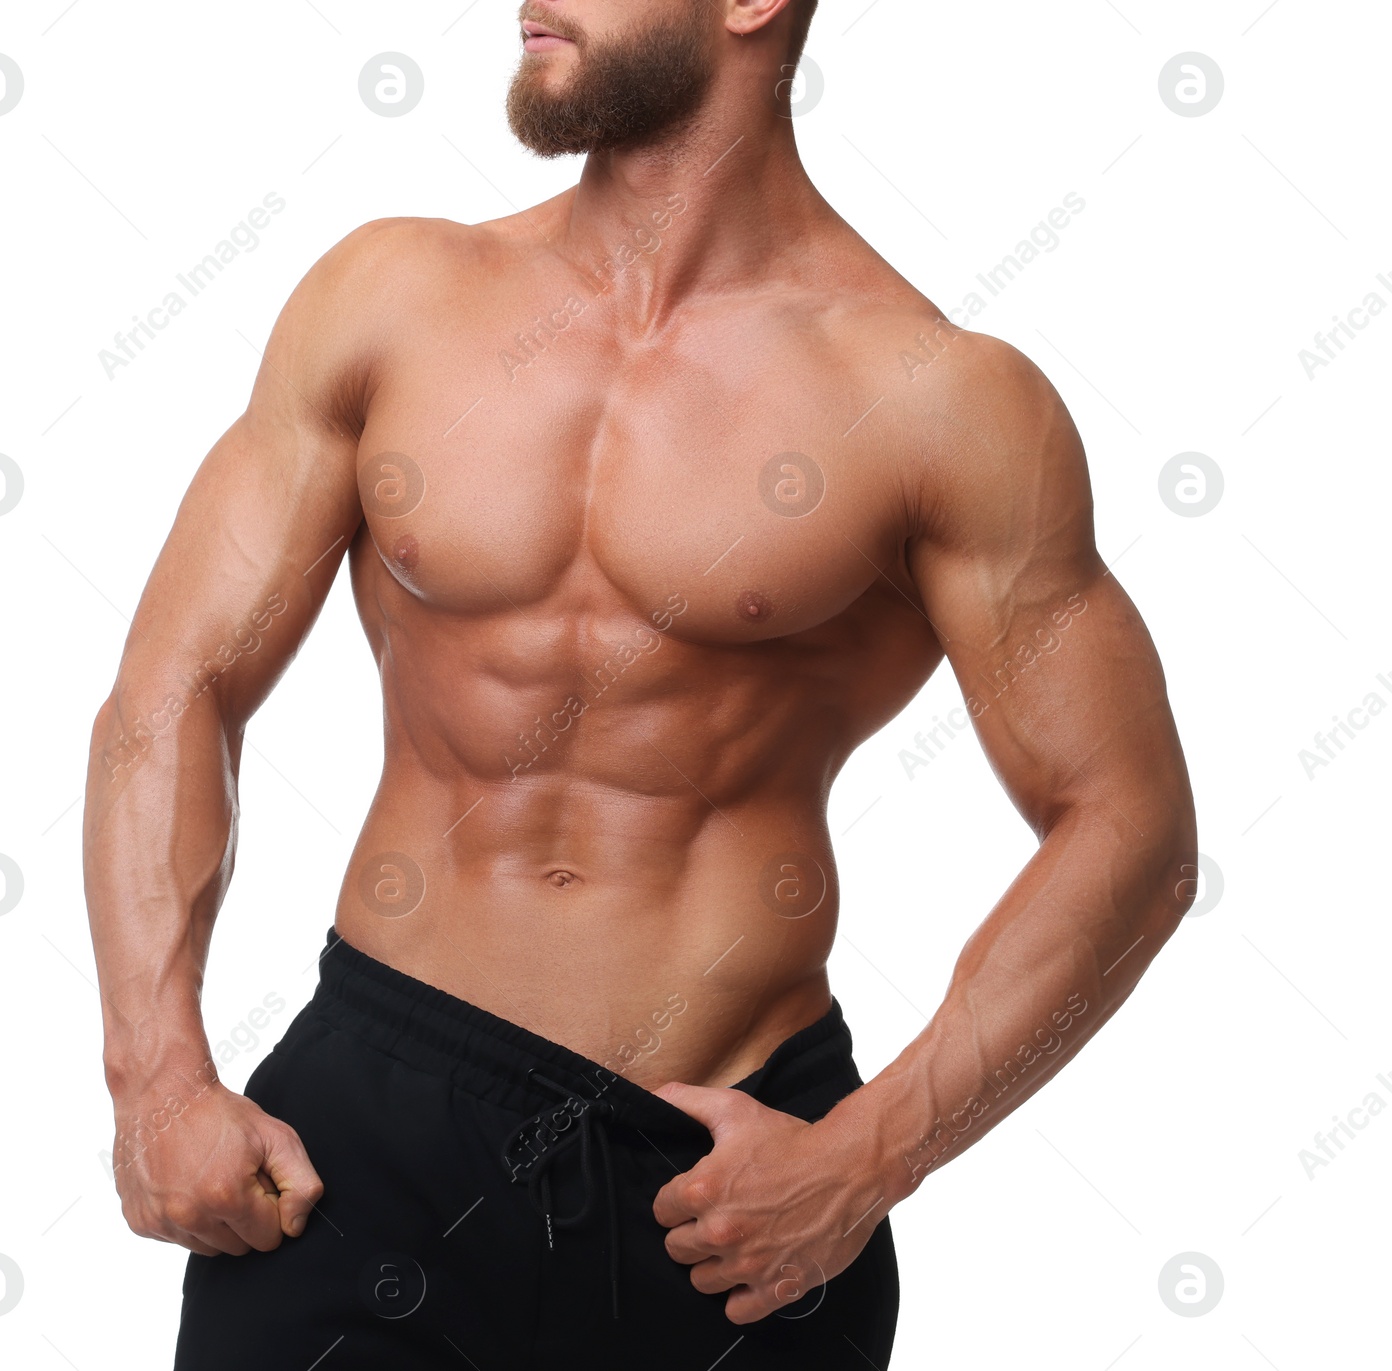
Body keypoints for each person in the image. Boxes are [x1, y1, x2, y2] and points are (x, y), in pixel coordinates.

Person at [81, 1, 1197, 1365]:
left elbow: (1131, 828)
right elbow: (172, 684)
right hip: (369, 1144)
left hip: (726, 1196)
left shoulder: (935, 399)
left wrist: (865, 1160)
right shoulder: (390, 299)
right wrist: (155, 1077)